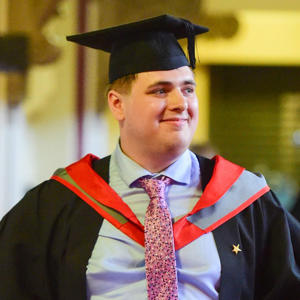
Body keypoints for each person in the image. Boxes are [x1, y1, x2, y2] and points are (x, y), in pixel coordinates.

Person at [0, 15, 299, 300]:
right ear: (118, 104)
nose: (180, 103)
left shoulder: (246, 201)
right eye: (160, 91)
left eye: (188, 89)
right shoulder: (57, 204)